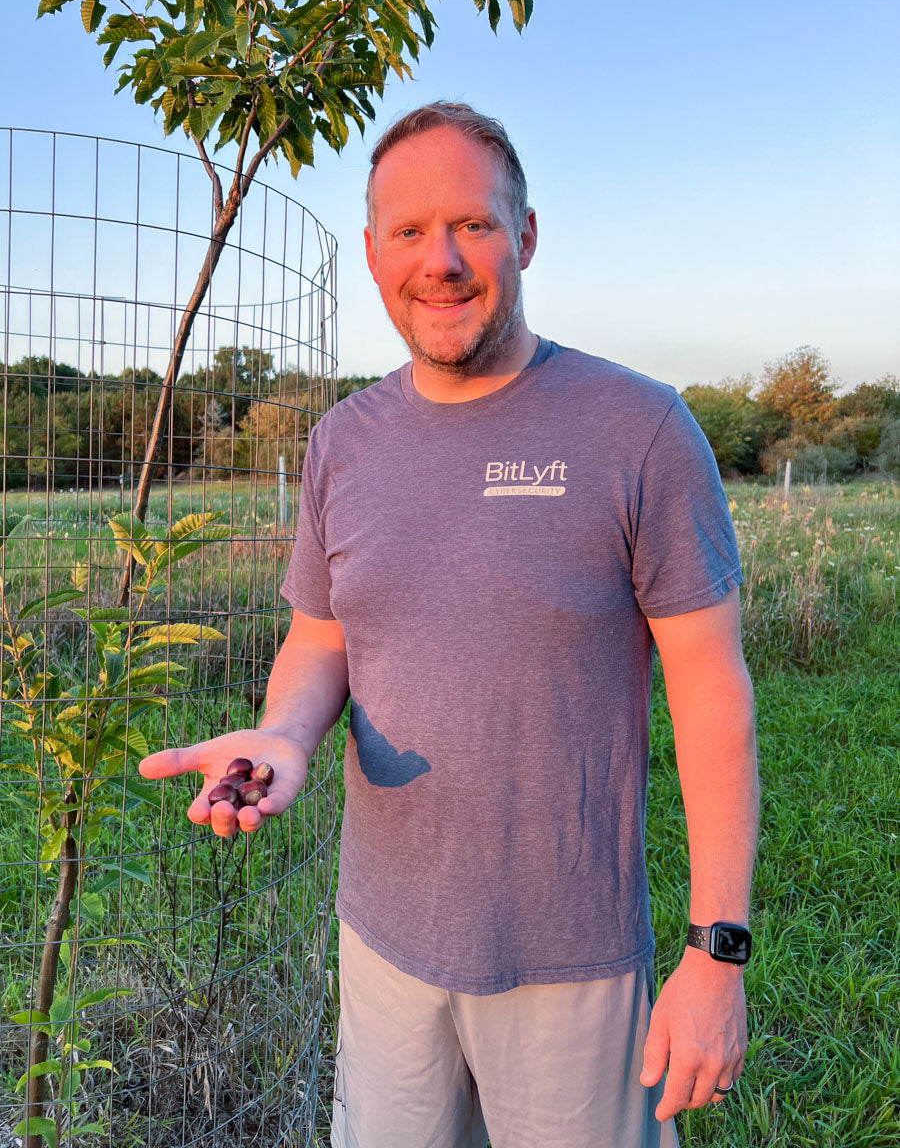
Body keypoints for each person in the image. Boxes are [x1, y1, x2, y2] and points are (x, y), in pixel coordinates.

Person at [140, 102, 759, 1148]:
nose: (443, 261)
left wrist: (716, 952)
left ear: (524, 236)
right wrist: (286, 734)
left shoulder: (639, 429)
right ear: (376, 254)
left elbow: (710, 691)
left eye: (472, 225)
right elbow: (323, 636)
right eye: (411, 233)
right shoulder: (345, 441)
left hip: (572, 958)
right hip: (381, 939)